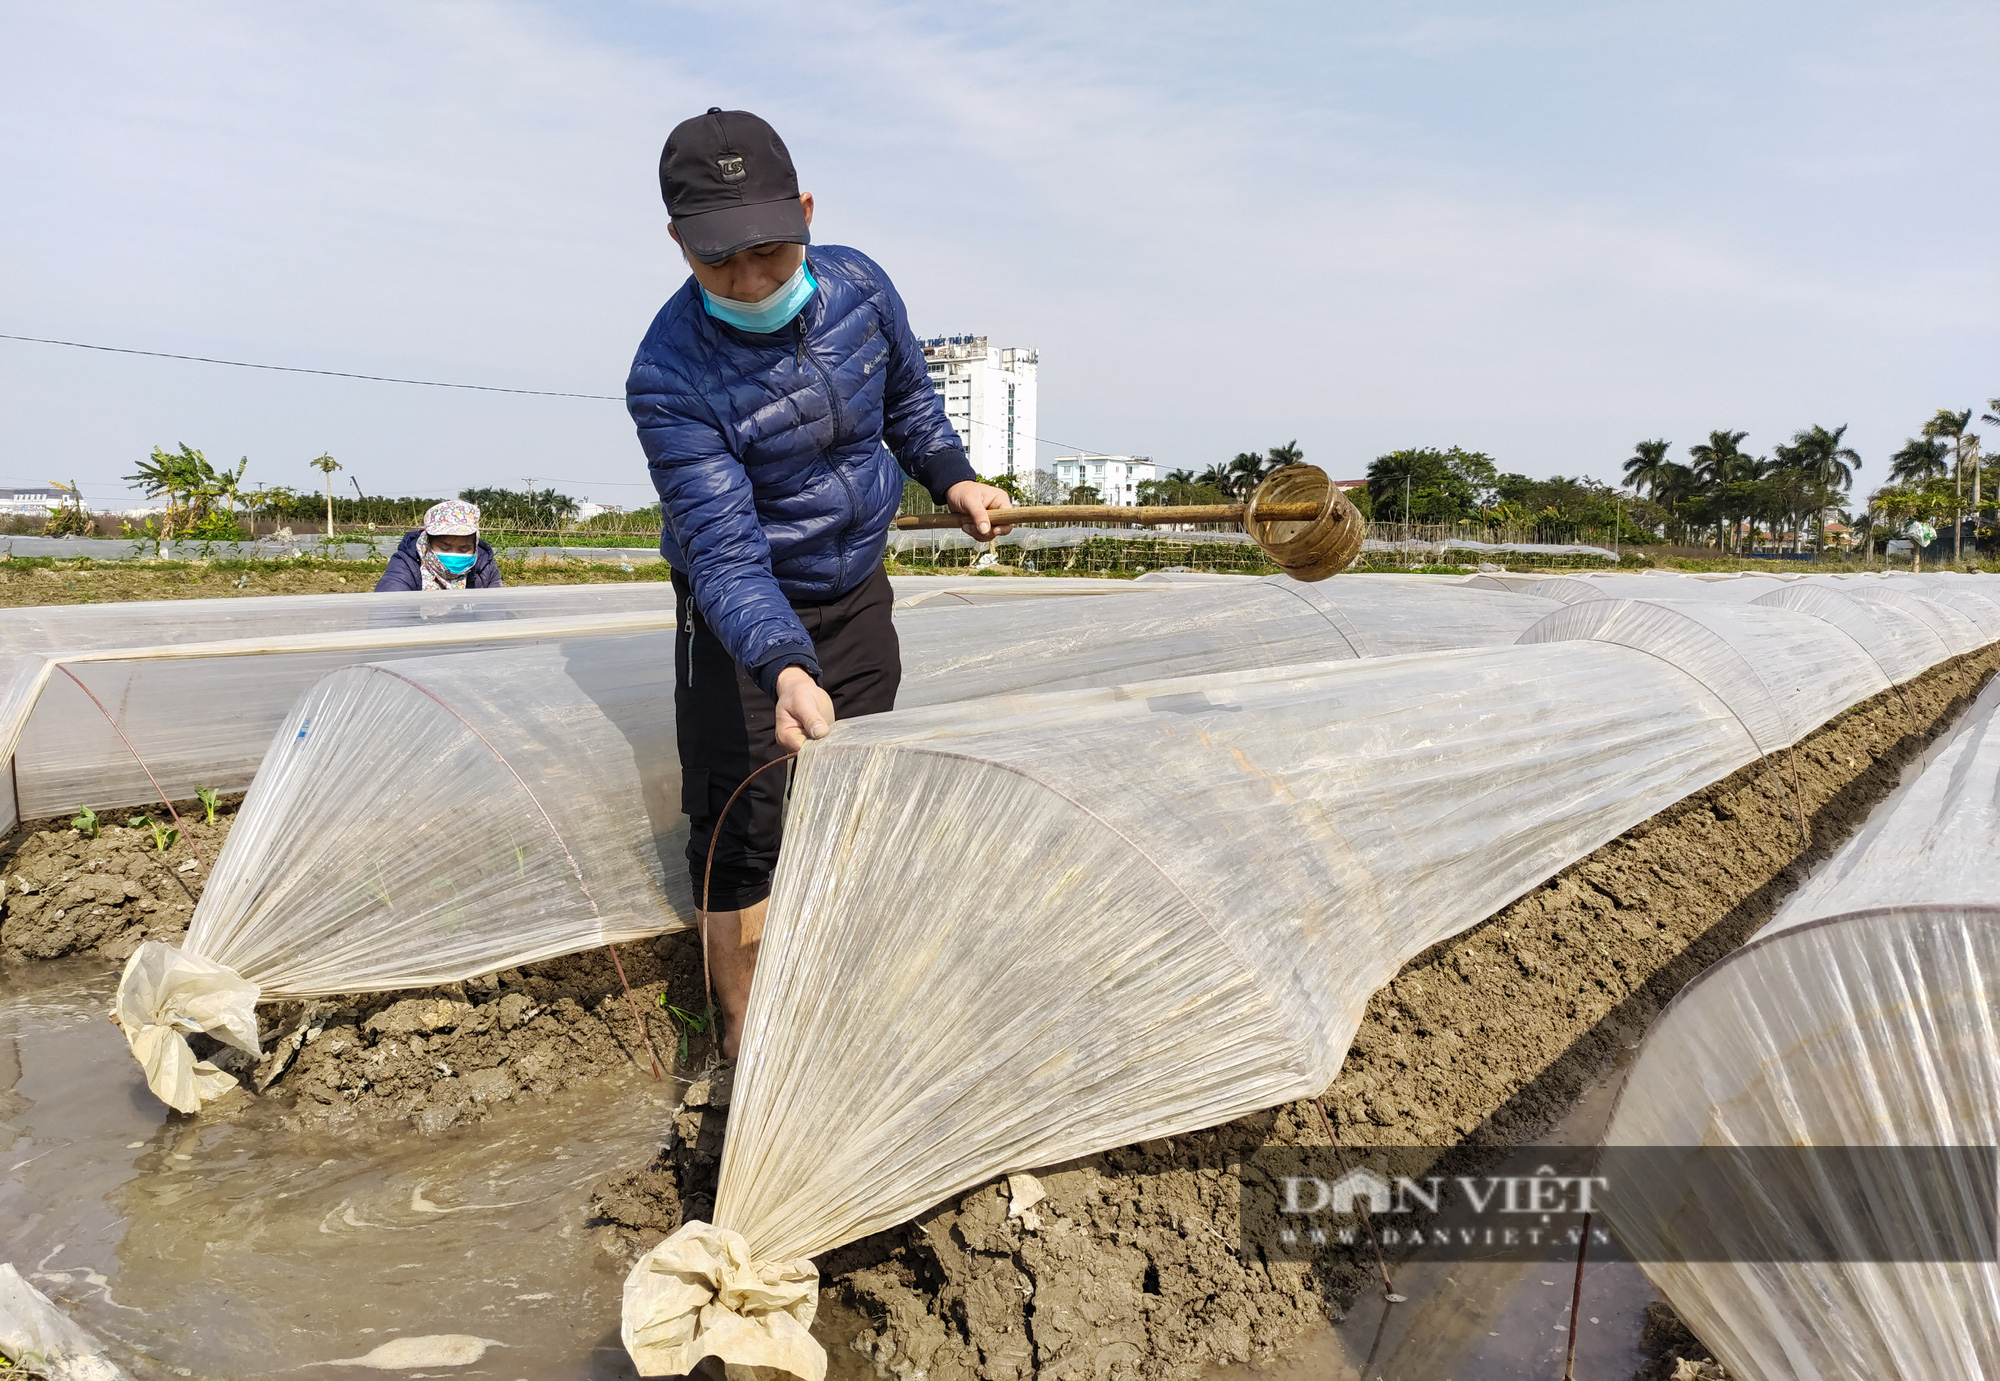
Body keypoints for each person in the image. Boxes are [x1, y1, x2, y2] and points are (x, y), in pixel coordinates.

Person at [627, 107, 1013, 1056]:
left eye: (768, 250)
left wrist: (952, 474)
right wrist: (785, 667)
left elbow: (910, 405)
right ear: (678, 243)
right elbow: (723, 554)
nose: (750, 281)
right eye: (719, 262)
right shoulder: (669, 375)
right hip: (742, 621)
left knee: (860, 783)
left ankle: (846, 999)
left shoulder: (861, 288)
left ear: (804, 211)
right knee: (743, 819)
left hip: (857, 587)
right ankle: (742, 1048)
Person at [374, 499, 503, 591]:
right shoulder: (406, 564)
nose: (454, 555)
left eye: (464, 549)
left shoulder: (484, 566)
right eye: (444, 548)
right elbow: (389, 612)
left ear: (475, 546)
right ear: (428, 543)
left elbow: (494, 615)